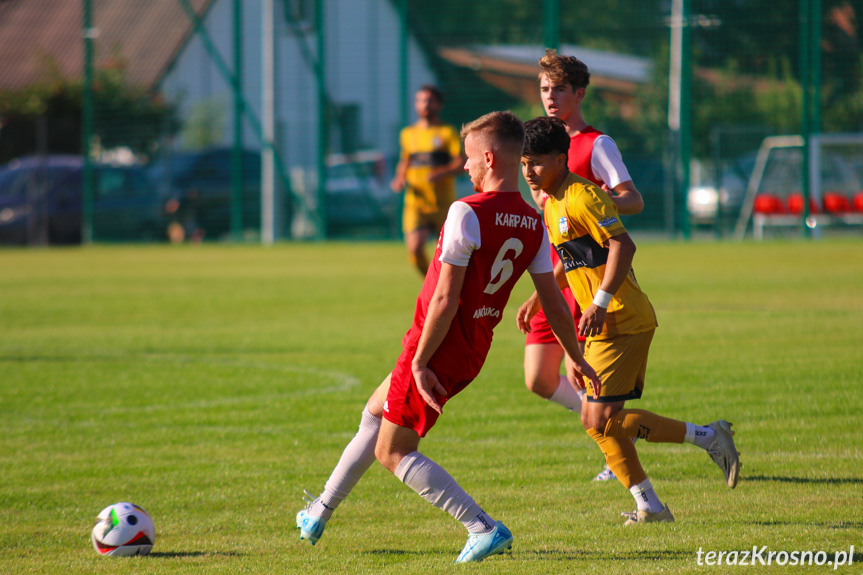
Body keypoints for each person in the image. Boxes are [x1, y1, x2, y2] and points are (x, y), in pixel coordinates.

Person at [297, 111, 601, 561]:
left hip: (436, 344)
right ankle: (320, 510)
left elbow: (444, 299)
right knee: (374, 413)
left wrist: (419, 362)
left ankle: (482, 527)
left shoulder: (466, 211)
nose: (464, 167)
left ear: (490, 157)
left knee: (393, 452)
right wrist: (572, 355)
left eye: (469, 158)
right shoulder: (533, 221)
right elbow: (555, 301)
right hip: (472, 346)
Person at [516, 116, 739, 525]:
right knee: (600, 422)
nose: (529, 172)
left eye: (538, 163)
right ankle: (651, 505)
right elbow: (576, 256)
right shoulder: (552, 202)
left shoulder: (582, 196)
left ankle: (707, 438)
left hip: (622, 319)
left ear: (562, 159)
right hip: (603, 324)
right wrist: (536, 298)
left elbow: (624, 245)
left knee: (596, 419)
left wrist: (599, 302)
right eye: (524, 163)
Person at [524, 50, 644, 481]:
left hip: (593, 273)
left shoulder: (596, 144)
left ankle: (613, 446)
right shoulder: (538, 145)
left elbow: (634, 199)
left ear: (580, 94)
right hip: (558, 273)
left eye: (558, 89)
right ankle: (609, 430)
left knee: (595, 380)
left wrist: (593, 202)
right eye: (543, 89)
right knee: (539, 379)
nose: (550, 97)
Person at [390, 85, 464, 276]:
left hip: (443, 203)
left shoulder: (447, 132)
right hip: (416, 202)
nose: (424, 104)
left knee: (445, 255)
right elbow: (405, 161)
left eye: (429, 100)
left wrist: (443, 172)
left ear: (438, 104)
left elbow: (460, 162)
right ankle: (430, 284)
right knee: (414, 251)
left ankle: (441, 289)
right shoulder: (408, 134)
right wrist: (399, 178)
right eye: (420, 100)